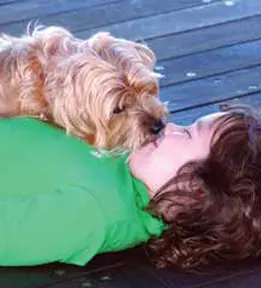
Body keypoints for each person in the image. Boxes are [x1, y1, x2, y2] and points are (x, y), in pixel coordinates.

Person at [0, 104, 261, 271]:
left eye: (187, 134)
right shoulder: (130, 160)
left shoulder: (94, 214)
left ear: (196, 193)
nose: (169, 127)